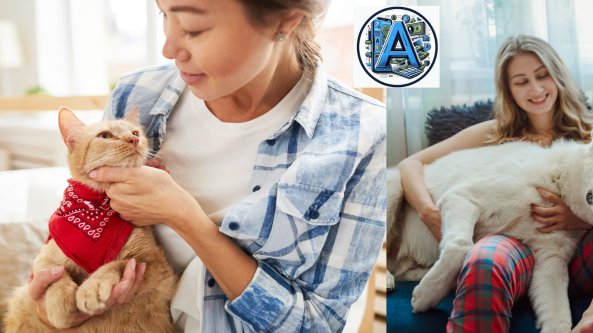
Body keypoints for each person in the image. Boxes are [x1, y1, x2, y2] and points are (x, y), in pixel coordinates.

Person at [27, 0, 386, 332]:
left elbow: (317, 325)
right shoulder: (137, 94)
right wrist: (54, 308)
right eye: (164, 15)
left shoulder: (361, 136)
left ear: (285, 20)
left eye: (193, 28)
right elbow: (78, 235)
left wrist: (185, 217)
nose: (169, 48)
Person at [397, 34, 593, 332]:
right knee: (486, 259)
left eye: (542, 75)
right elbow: (411, 164)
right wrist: (429, 211)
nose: (535, 89)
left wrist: (578, 219)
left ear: (557, 76)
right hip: (518, 245)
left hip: (582, 254)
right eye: (521, 82)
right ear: (508, 90)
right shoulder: (494, 131)